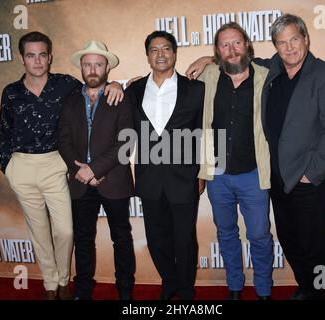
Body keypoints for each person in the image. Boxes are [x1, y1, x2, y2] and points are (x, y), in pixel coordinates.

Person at [0, 31, 123, 300]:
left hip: (56, 163)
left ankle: (65, 278)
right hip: (22, 166)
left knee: (66, 230)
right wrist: (8, 166)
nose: (38, 61)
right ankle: (52, 284)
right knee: (39, 231)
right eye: (31, 55)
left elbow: (95, 84)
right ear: (22, 59)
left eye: (42, 55)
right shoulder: (10, 92)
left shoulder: (65, 84)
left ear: (50, 57)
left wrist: (116, 84)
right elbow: (3, 132)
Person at [261, 14, 325, 300]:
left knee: (314, 246)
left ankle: (318, 293)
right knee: (289, 240)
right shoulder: (273, 69)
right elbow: (242, 59)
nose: (289, 48)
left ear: (306, 39)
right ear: (275, 47)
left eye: (294, 39)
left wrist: (313, 173)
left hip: (308, 179)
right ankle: (306, 288)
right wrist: (205, 60)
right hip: (278, 177)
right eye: (282, 43)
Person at [187, 22, 273, 300]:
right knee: (226, 234)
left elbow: (291, 58)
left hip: (254, 174)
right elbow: (172, 86)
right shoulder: (208, 76)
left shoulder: (266, 75)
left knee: (259, 236)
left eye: (237, 43)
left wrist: (210, 56)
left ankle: (263, 291)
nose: (232, 49)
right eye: (224, 45)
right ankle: (234, 287)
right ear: (217, 51)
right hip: (218, 174)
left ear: (247, 44)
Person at [126, 31, 204, 300]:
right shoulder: (133, 91)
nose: (160, 54)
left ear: (174, 53)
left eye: (166, 48)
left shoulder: (196, 89)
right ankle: (169, 282)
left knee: (184, 240)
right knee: (157, 239)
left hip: (184, 178)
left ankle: (184, 291)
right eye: (154, 49)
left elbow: (205, 132)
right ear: (147, 55)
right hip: (149, 179)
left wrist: (203, 172)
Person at [58, 40, 136, 300]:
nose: (92, 69)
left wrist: (94, 169)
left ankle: (125, 291)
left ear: (107, 69)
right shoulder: (68, 101)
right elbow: (63, 140)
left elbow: (127, 140)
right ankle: (83, 290)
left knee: (121, 239)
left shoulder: (120, 96)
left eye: (98, 64)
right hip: (80, 183)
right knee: (83, 240)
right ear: (81, 67)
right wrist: (81, 170)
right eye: (87, 64)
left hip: (113, 179)